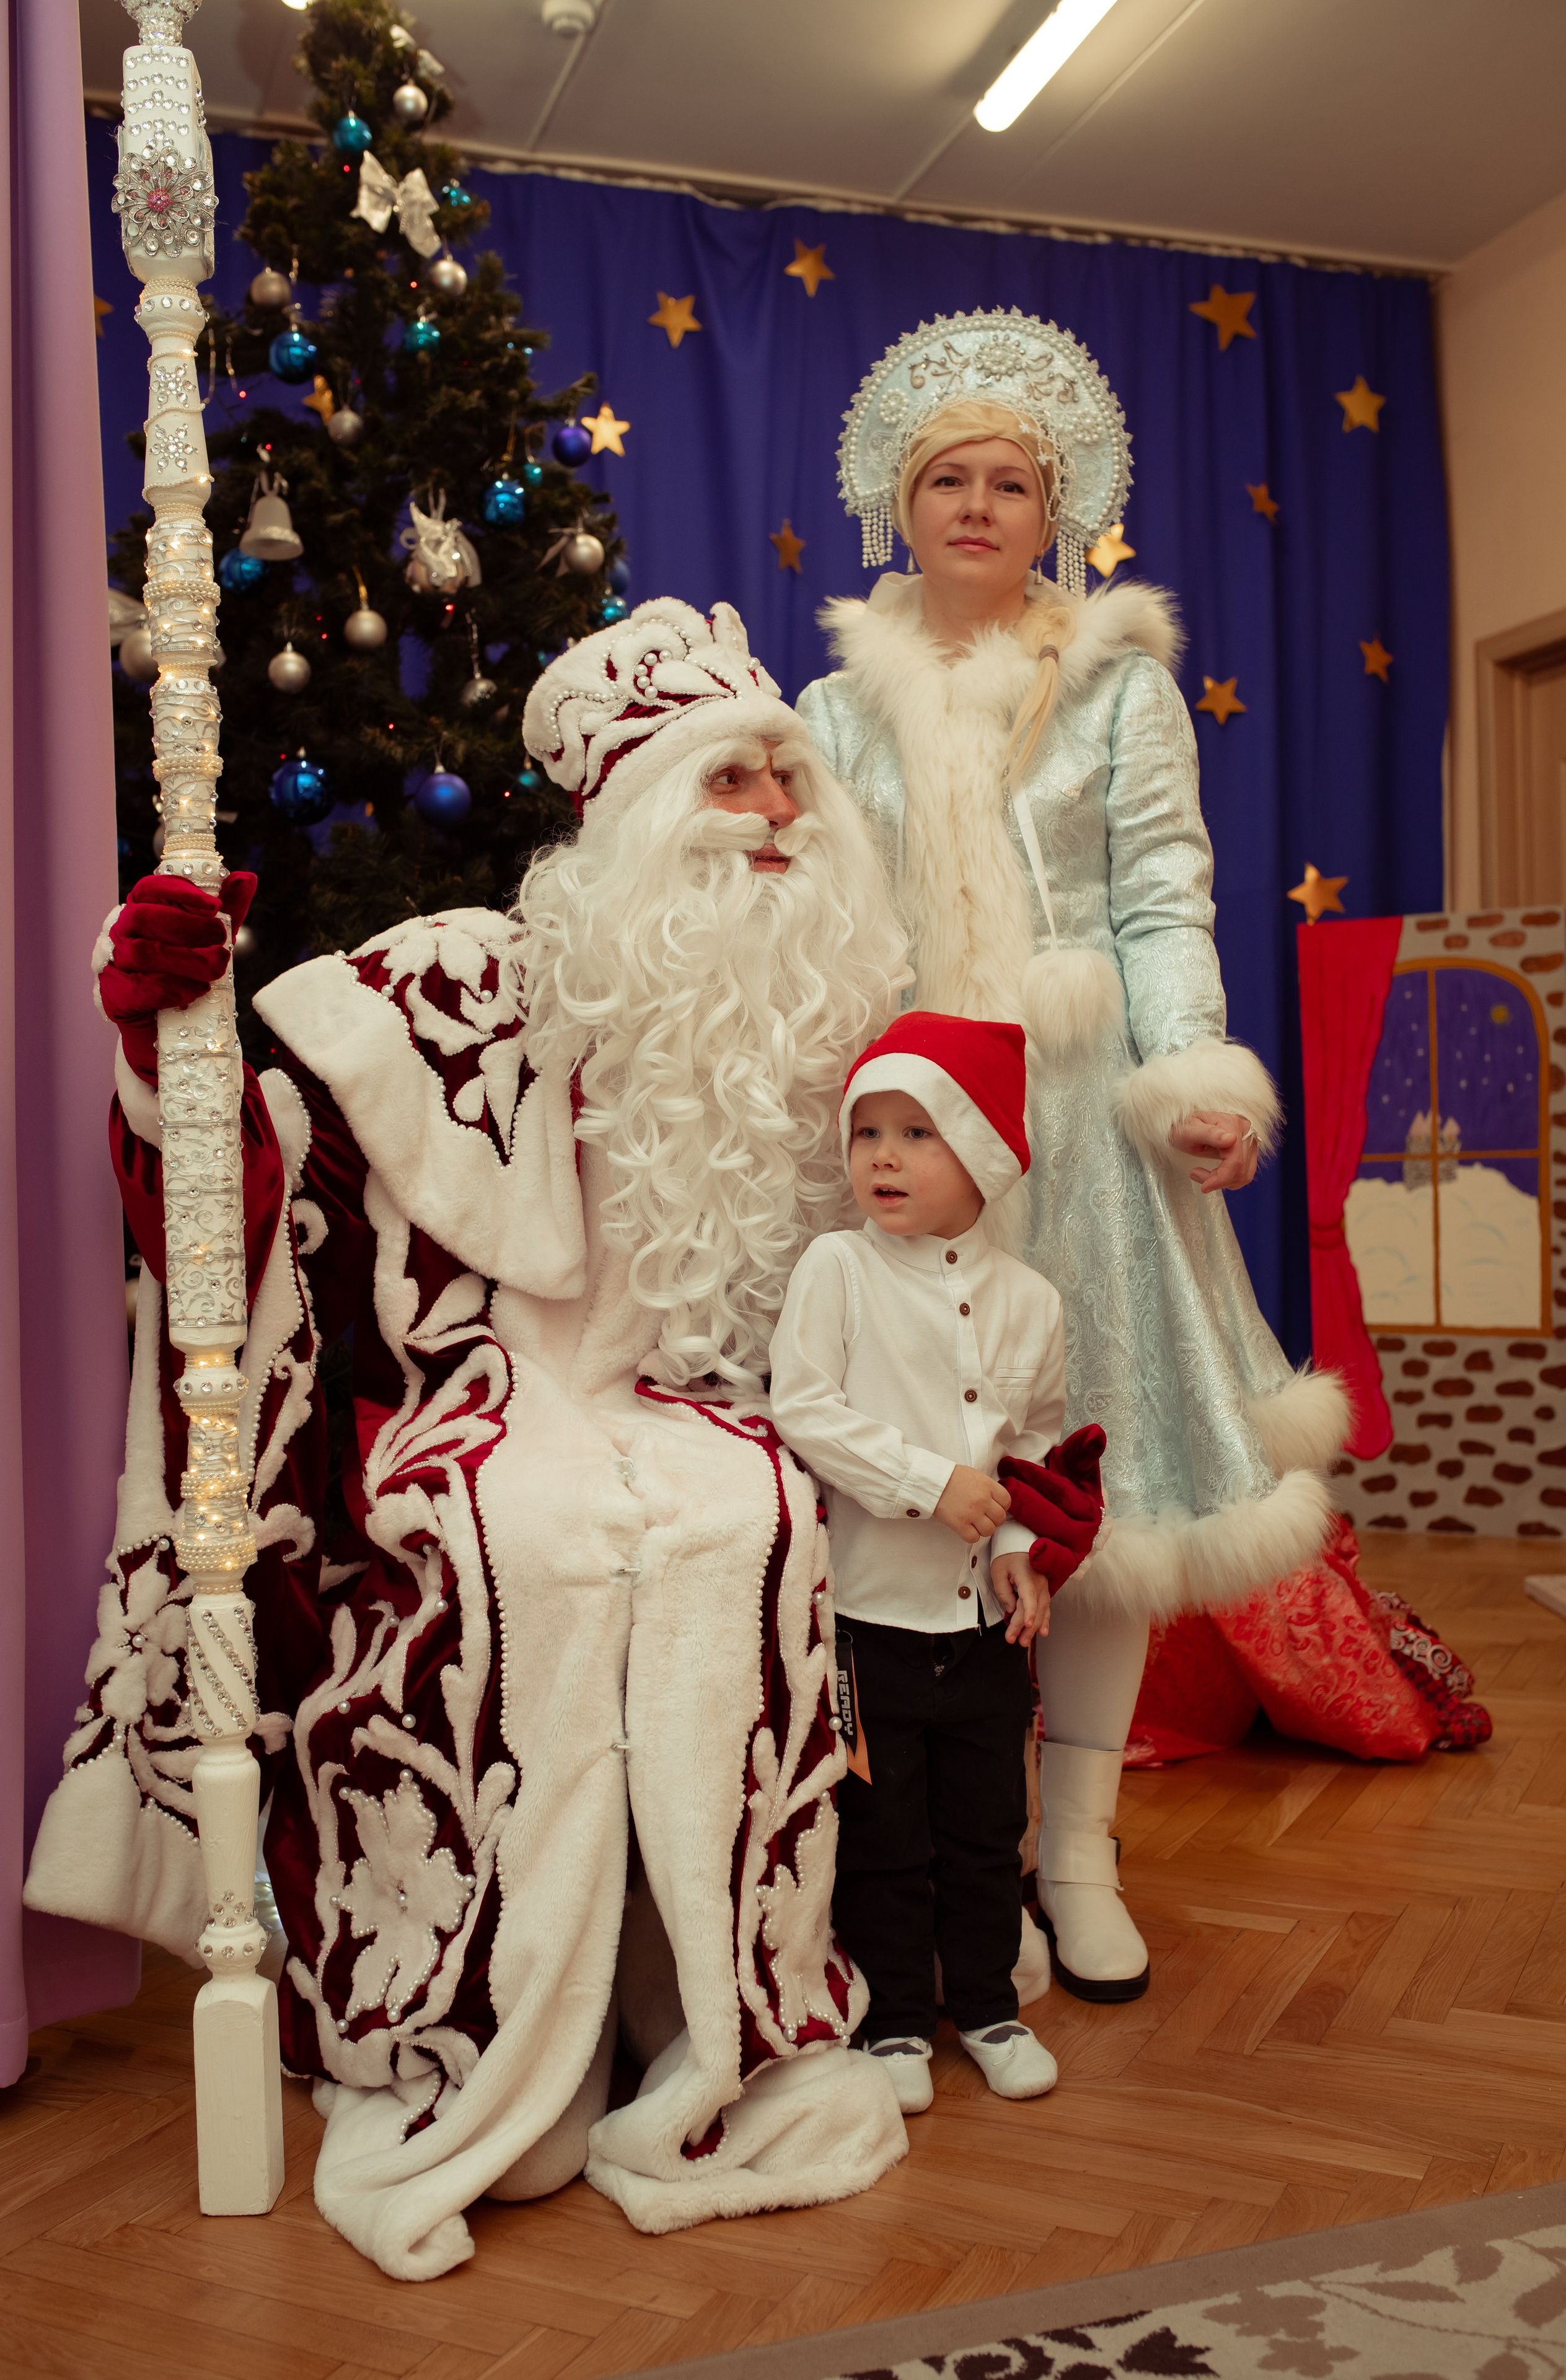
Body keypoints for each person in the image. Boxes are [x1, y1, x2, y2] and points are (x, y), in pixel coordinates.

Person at [25, 598, 913, 2281]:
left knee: (751, 1523)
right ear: (638, 814)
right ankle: (503, 2042)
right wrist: (167, 1039)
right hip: (484, 1386)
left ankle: (710, 2023)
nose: (783, 819)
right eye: (738, 784)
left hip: (709, 1393)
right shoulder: (463, 980)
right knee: (531, 1550)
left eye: (795, 783)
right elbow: (258, 1176)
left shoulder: (822, 1013)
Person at [796, 310, 1349, 2006]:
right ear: (901, 501)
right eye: (947, 478)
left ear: (1057, 507)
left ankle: (1076, 1850)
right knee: (896, 1482)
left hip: (1085, 1129)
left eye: (1011, 481)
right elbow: (815, 920)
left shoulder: (1116, 680)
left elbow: (1161, 895)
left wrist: (1191, 1072)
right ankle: (919, 1855)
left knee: (1089, 1499)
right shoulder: (828, 702)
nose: (978, 504)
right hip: (898, 1119)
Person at [770, 1011, 1107, 2114]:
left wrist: (1016, 1544)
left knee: (982, 1829)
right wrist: (929, 1480)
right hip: (872, 1620)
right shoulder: (839, 1268)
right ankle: (898, 2021)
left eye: (917, 1131)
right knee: (883, 1832)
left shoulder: (1035, 1302)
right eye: (868, 1130)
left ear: (984, 1152)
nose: (882, 1154)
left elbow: (1034, 1449)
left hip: (987, 1629)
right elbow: (804, 1404)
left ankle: (991, 2005)